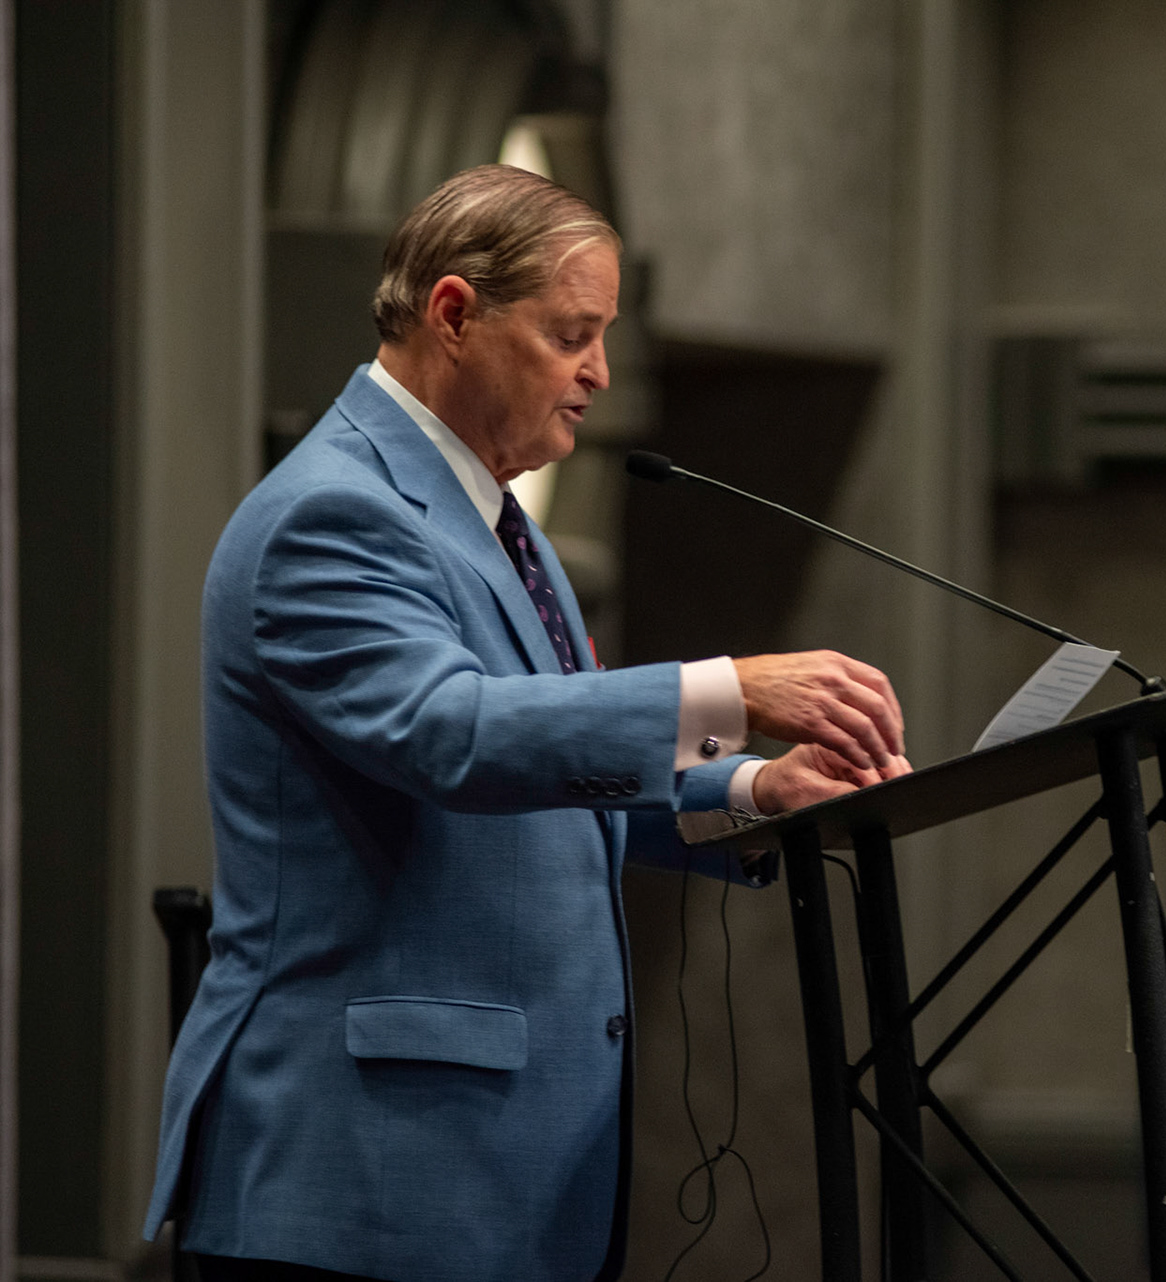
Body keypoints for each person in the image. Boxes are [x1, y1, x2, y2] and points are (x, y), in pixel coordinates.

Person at [143, 165, 909, 1282]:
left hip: (494, 1176)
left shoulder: (498, 518)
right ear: (455, 314)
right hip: (364, 1179)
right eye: (571, 334)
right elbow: (452, 736)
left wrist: (754, 789)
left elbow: (556, 780)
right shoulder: (333, 512)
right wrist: (728, 691)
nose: (600, 372)